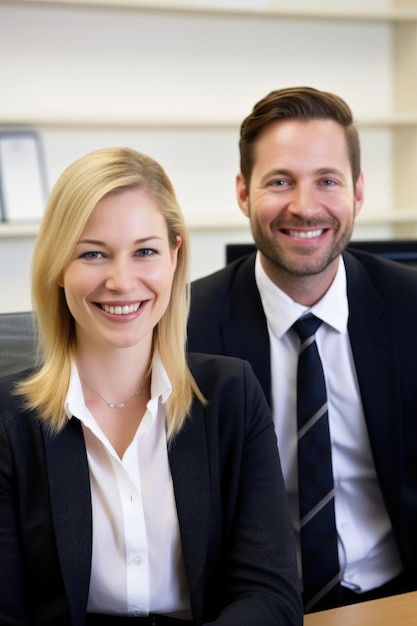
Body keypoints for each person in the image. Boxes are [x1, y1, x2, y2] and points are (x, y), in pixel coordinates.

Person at [0, 147, 303, 625]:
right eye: (93, 253)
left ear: (174, 257)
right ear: (59, 266)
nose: (122, 281)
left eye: (145, 251)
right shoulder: (9, 421)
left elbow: (270, 595)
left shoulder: (231, 396)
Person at [187, 86, 417, 613]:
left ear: (358, 191)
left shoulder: (410, 308)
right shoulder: (184, 326)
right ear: (244, 193)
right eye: (280, 181)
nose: (305, 206)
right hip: (252, 608)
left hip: (397, 596)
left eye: (328, 181)